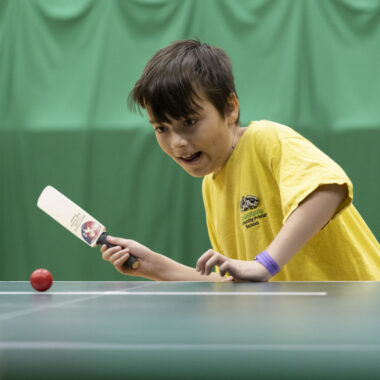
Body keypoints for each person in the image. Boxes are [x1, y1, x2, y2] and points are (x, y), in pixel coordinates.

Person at [100, 39, 380, 282]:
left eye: (189, 121)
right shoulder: (212, 184)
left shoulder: (267, 139)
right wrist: (156, 267)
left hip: (364, 310)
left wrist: (266, 263)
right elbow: (239, 279)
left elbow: (328, 189)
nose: (177, 142)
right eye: (161, 128)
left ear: (230, 108)